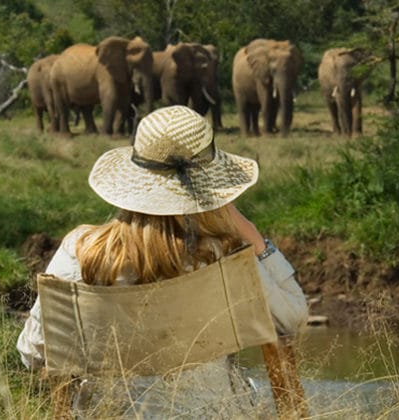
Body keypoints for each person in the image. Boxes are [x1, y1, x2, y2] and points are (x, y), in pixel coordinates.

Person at [17, 105, 308, 417]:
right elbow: (293, 319)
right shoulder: (223, 256)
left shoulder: (80, 250)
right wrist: (254, 238)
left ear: (132, 180)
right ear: (210, 187)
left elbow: (33, 352)